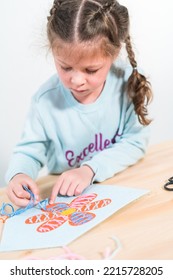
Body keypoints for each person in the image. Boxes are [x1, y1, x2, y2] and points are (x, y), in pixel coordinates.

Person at [5, 0, 152, 207]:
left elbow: (135, 142)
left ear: (114, 53)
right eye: (65, 67)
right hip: (69, 202)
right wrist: (18, 175)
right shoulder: (45, 102)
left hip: (121, 188)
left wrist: (89, 170)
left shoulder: (126, 83)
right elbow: (28, 151)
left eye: (90, 70)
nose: (77, 80)